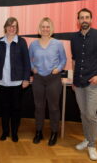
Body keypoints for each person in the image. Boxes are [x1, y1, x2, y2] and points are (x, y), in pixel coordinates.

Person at [71, 8, 97, 161]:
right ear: (78, 21)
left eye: (87, 17)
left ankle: (92, 145)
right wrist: (74, 80)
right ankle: (87, 139)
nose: (84, 20)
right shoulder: (73, 38)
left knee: (91, 114)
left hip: (93, 82)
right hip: (78, 82)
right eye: (81, 18)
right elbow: (74, 60)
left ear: (91, 19)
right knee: (83, 113)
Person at [0, 17, 31, 142]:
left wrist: (26, 78)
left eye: (14, 26)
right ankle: (5, 132)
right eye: (9, 26)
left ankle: (14, 133)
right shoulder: (0, 41)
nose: (12, 28)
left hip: (17, 82)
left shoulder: (22, 42)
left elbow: (26, 62)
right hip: (2, 82)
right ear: (5, 27)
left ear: (17, 28)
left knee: (16, 109)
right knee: (4, 108)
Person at [29, 17, 67, 146]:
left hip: (53, 79)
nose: (45, 29)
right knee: (39, 107)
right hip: (38, 79)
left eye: (47, 26)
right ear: (39, 29)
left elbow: (63, 60)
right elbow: (29, 59)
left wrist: (59, 68)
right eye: (43, 26)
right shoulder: (33, 44)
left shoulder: (57, 44)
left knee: (54, 107)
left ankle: (54, 132)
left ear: (51, 29)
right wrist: (32, 67)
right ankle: (38, 132)